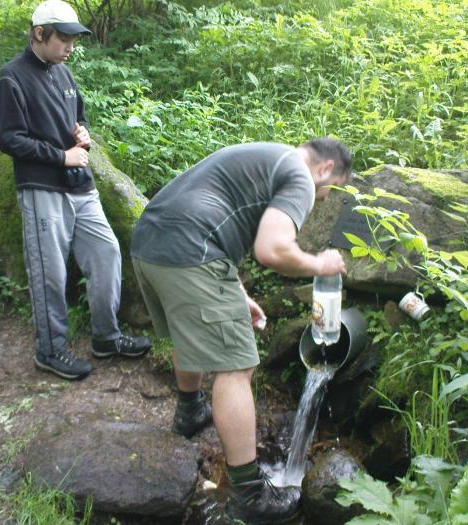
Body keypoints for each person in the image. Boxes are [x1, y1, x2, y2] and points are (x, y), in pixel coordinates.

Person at [130, 138, 352, 523]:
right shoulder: (300, 175)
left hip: (149, 244)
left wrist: (237, 294)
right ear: (326, 168)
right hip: (190, 251)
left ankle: (189, 411)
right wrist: (320, 264)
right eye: (331, 190)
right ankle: (249, 494)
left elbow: (216, 222)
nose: (326, 198)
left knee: (190, 334)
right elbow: (271, 249)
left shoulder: (264, 158)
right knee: (237, 366)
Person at [0, 0, 150, 381]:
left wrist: (83, 133)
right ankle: (50, 351)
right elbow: (8, 139)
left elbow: (78, 117)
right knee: (49, 273)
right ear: (39, 34)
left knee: (107, 253)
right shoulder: (11, 77)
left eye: (73, 39)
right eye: (63, 38)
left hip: (81, 186)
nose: (69, 47)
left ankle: (106, 337)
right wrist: (61, 156)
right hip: (42, 187)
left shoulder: (64, 75)